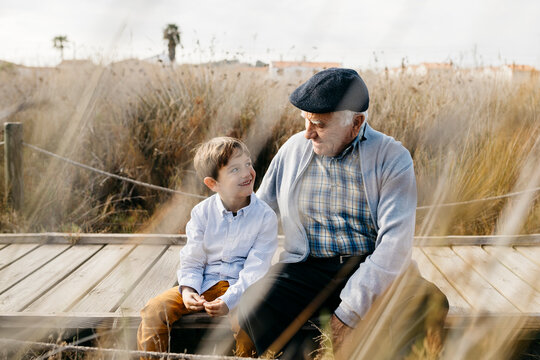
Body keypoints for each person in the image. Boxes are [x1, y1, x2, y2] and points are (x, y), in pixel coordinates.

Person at [234, 68, 449, 359]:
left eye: (320, 125)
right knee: (254, 303)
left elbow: (394, 247)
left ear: (356, 123)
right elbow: (259, 215)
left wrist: (348, 313)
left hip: (371, 266)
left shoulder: (393, 158)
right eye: (306, 121)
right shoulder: (294, 149)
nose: (308, 132)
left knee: (426, 302)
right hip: (307, 267)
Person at [137, 137, 278, 358]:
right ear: (213, 183)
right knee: (153, 310)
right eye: (234, 169)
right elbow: (192, 259)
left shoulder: (265, 217)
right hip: (204, 285)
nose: (247, 173)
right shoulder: (202, 213)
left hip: (242, 289)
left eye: (248, 164)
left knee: (249, 321)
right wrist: (189, 290)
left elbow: (256, 269)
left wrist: (230, 300)